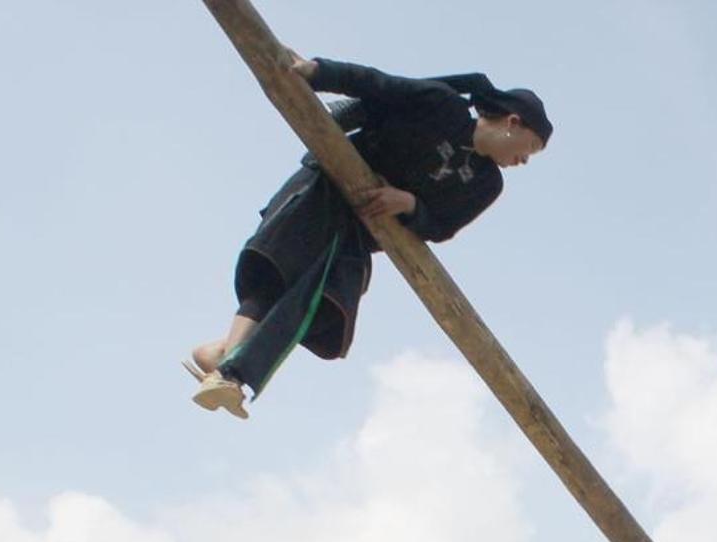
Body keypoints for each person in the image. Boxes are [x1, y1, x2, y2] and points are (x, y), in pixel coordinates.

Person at [187, 59, 553, 419]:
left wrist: (409, 204)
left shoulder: (486, 185)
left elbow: (442, 226)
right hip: (325, 187)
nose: (523, 160)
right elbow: (377, 85)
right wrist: (317, 71)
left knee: (318, 304)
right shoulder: (442, 105)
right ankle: (229, 373)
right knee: (280, 275)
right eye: (530, 148)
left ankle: (224, 357)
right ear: (513, 122)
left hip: (357, 233)